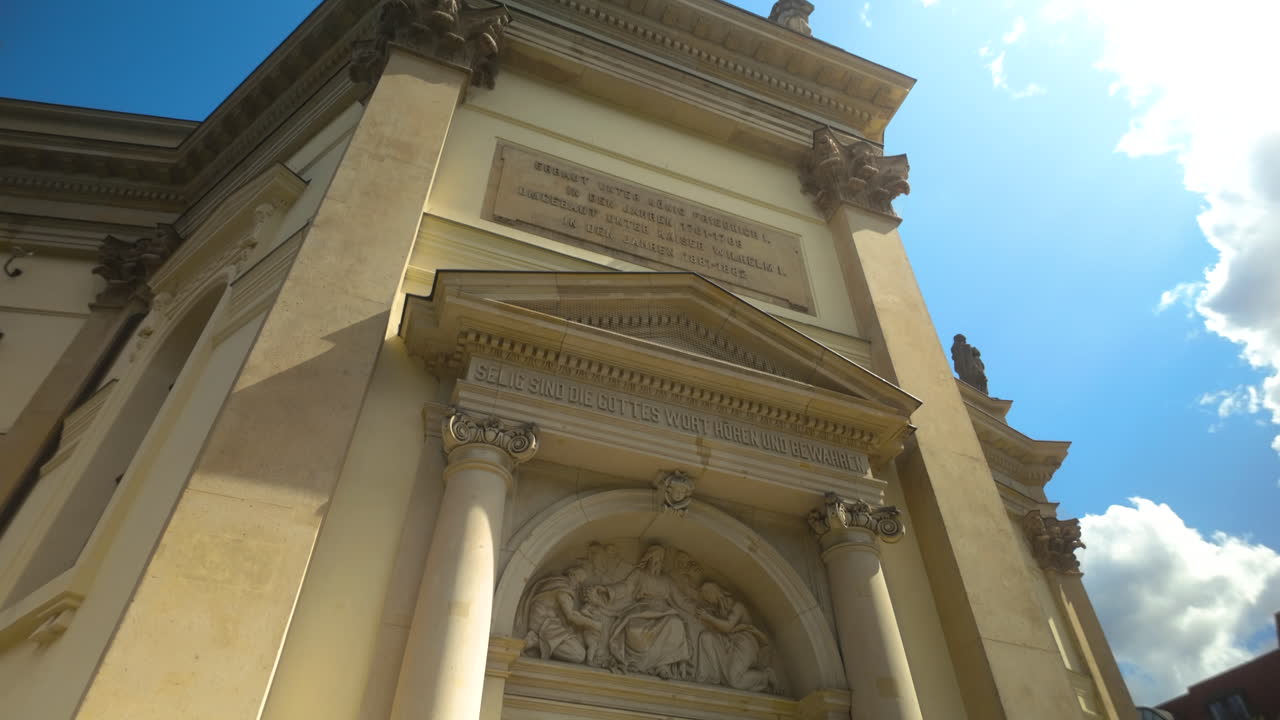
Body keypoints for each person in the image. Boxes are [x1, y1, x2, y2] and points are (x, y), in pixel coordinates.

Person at [694, 582, 775, 693]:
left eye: (707, 595)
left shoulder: (738, 606)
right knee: (706, 637)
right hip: (728, 642)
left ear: (715, 592)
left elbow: (728, 626)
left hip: (744, 643)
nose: (707, 599)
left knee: (735, 682)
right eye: (705, 597)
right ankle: (710, 677)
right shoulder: (717, 611)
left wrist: (708, 618)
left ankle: (765, 676)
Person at [521, 565, 601, 663]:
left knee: (577, 638)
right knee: (579, 655)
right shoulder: (563, 590)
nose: (577, 586)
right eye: (578, 582)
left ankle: (538, 640)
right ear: (571, 575)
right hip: (544, 624)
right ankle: (536, 641)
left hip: (547, 622)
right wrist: (594, 624)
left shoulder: (555, 582)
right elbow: (570, 616)